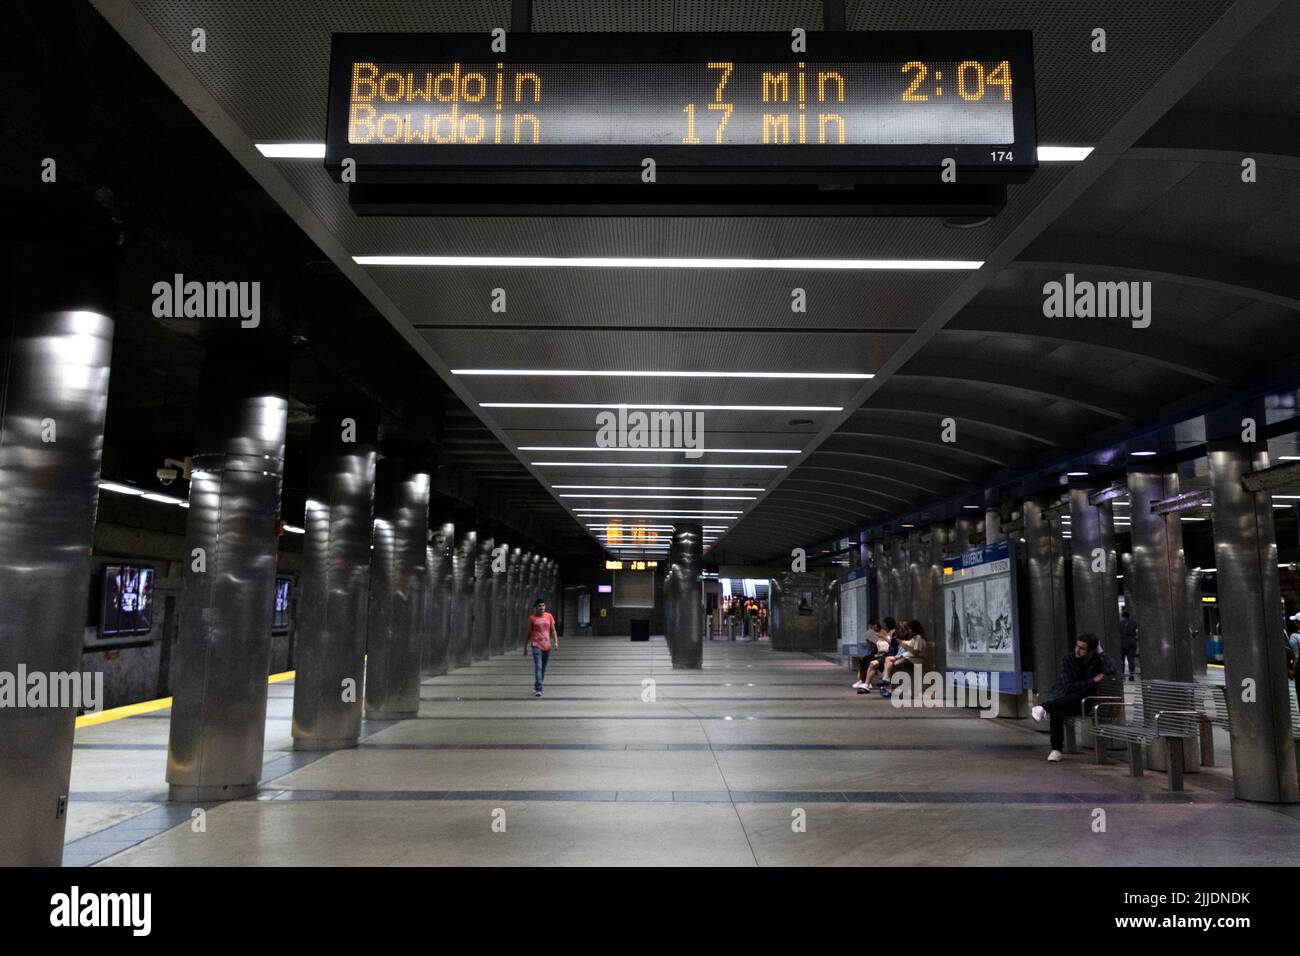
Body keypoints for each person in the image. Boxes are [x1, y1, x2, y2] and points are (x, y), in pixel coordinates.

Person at [1031, 633, 1117, 762]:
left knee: (1079, 696)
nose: (1077, 650)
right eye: (1077, 646)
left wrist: (1101, 652)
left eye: (1082, 648)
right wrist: (1092, 681)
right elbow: (1069, 686)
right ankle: (1056, 749)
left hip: (1083, 703)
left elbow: (1111, 669)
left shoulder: (1097, 661)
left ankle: (1044, 707)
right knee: (1058, 711)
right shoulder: (1068, 659)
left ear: (1092, 651)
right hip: (1066, 698)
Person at [880, 619, 928, 697]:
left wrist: (903, 645)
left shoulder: (918, 637)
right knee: (890, 662)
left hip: (914, 659)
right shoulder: (915, 638)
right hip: (910, 657)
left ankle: (888, 682)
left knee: (893, 663)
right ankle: (888, 681)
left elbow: (915, 652)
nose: (909, 631)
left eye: (909, 629)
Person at [522, 597, 558, 697]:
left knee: (543, 668)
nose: (542, 607)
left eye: (543, 605)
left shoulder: (549, 616)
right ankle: (539, 689)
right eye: (539, 606)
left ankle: (537, 685)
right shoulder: (532, 618)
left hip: (547, 645)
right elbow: (529, 633)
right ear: (536, 608)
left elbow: (553, 630)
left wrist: (555, 642)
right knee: (538, 666)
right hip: (536, 645)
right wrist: (525, 646)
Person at [860, 617, 901, 694]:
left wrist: (884, 638)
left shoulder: (894, 633)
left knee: (873, 661)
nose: (884, 627)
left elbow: (894, 644)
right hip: (886, 654)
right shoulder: (887, 632)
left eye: (885, 625)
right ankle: (866, 685)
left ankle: (885, 681)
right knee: (872, 663)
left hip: (892, 655)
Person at [852, 619, 885, 689]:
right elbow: (873, 646)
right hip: (875, 652)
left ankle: (866, 681)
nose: (872, 629)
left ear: (876, 625)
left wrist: (876, 641)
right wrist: (870, 641)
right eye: (870, 627)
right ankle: (862, 680)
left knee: (869, 661)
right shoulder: (872, 633)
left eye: (872, 627)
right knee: (864, 659)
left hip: (881, 653)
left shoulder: (882, 632)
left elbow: (883, 645)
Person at [1119, 609, 1139, 681]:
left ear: (1122, 616)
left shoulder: (1120, 623)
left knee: (1122, 660)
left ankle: (1122, 676)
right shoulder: (1134, 623)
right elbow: (1137, 632)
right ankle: (1131, 676)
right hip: (1132, 642)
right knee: (1131, 660)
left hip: (1122, 642)